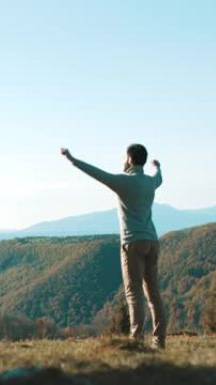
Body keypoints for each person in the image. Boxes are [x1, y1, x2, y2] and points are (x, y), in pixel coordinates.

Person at [60, 144, 166, 348]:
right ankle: (159, 341)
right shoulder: (150, 182)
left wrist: (72, 160)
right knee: (153, 294)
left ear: (128, 158)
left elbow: (96, 173)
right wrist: (157, 167)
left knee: (134, 294)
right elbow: (159, 177)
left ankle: (136, 341)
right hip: (152, 241)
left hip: (133, 243)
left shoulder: (122, 182)